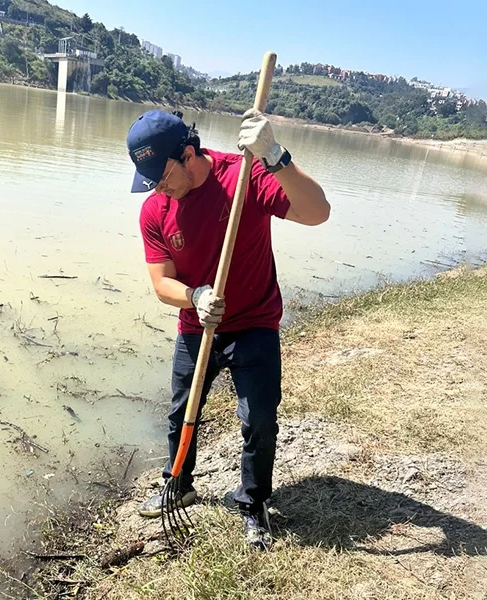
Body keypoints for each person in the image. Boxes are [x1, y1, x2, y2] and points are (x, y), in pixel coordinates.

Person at [125, 108, 330, 549]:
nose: (158, 188)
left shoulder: (244, 177)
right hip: (197, 324)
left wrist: (275, 155)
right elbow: (162, 283)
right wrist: (195, 297)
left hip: (253, 320)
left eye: (162, 176)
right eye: (149, 181)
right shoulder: (155, 209)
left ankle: (253, 503)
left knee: (259, 419)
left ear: (187, 153)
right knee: (182, 412)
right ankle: (179, 482)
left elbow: (318, 213)